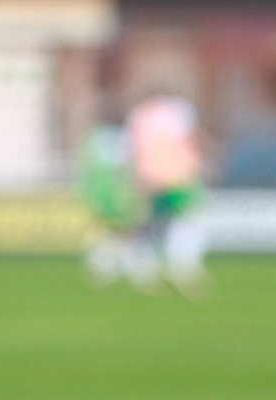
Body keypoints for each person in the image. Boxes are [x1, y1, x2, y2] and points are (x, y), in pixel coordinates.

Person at [126, 91, 210, 294]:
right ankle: (181, 267)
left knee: (153, 225)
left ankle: (144, 270)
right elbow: (189, 139)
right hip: (178, 177)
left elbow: (132, 148)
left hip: (150, 177)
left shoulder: (139, 115)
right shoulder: (177, 112)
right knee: (187, 221)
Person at [76, 113, 147, 286]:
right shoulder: (119, 139)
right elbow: (124, 164)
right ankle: (127, 267)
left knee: (113, 230)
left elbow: (87, 165)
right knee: (126, 230)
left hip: (100, 190)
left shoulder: (94, 138)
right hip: (116, 191)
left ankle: (106, 265)